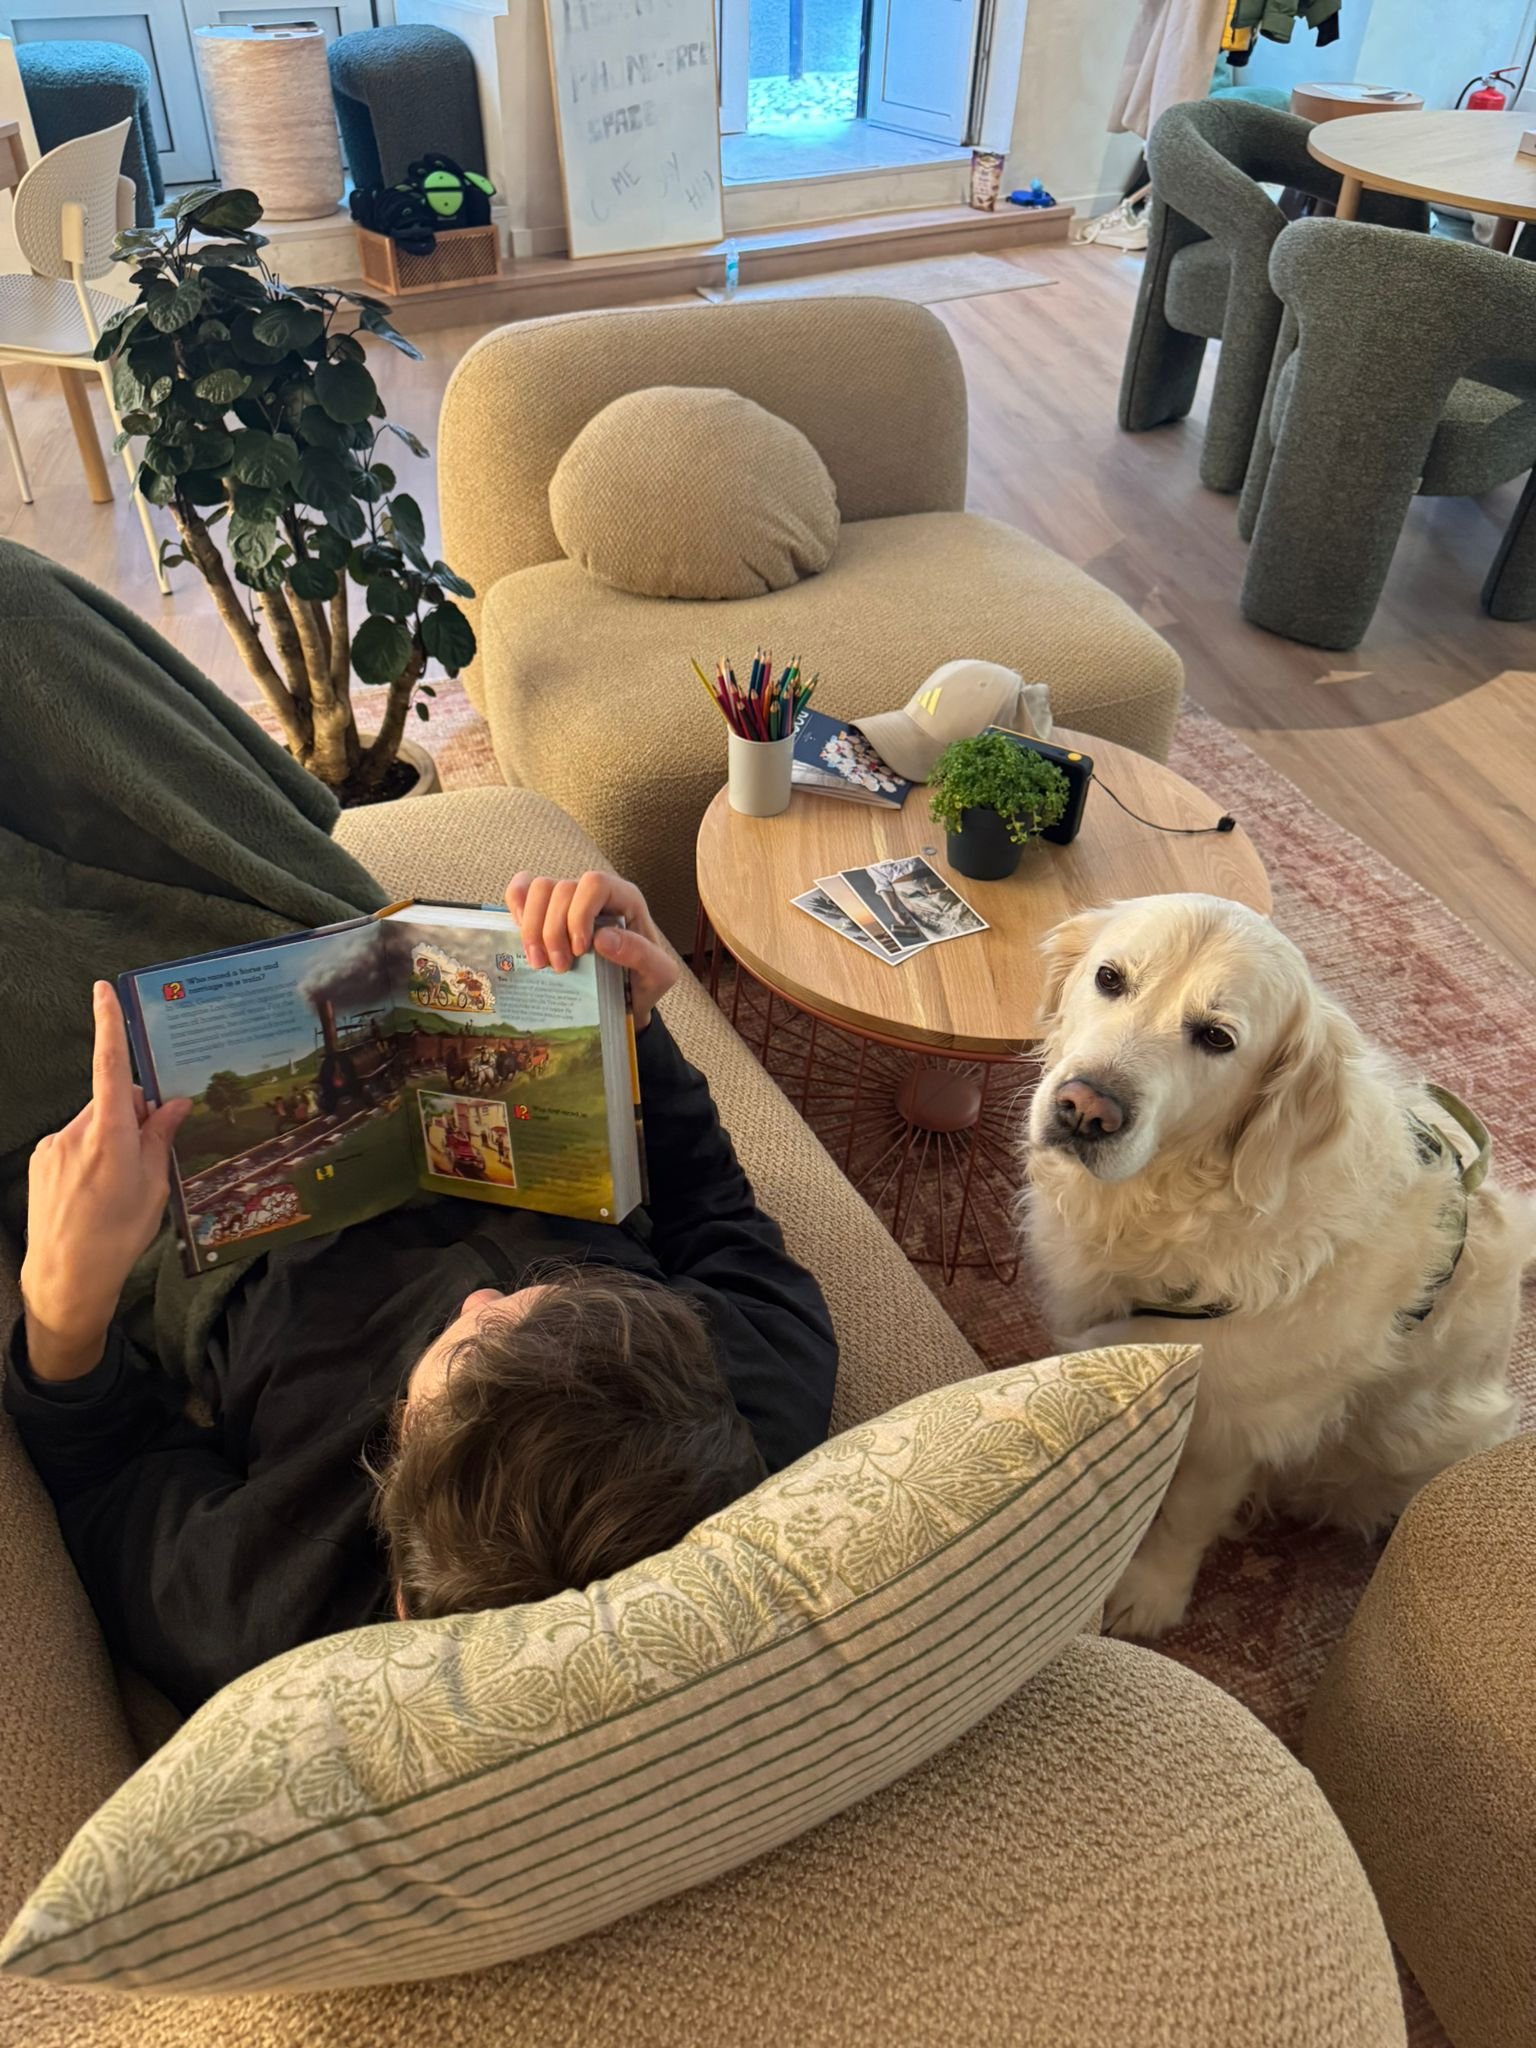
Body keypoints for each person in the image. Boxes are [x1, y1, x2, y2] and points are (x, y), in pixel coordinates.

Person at [5, 872, 837, 1716]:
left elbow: (101, 1475)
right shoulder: (744, 1400)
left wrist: (65, 1291)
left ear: (402, 1597)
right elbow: (711, 1206)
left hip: (185, 1215)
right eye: (551, 1292)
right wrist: (632, 1025)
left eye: (456, 1350)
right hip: (472, 1103)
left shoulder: (261, 1607)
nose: (476, 1300)